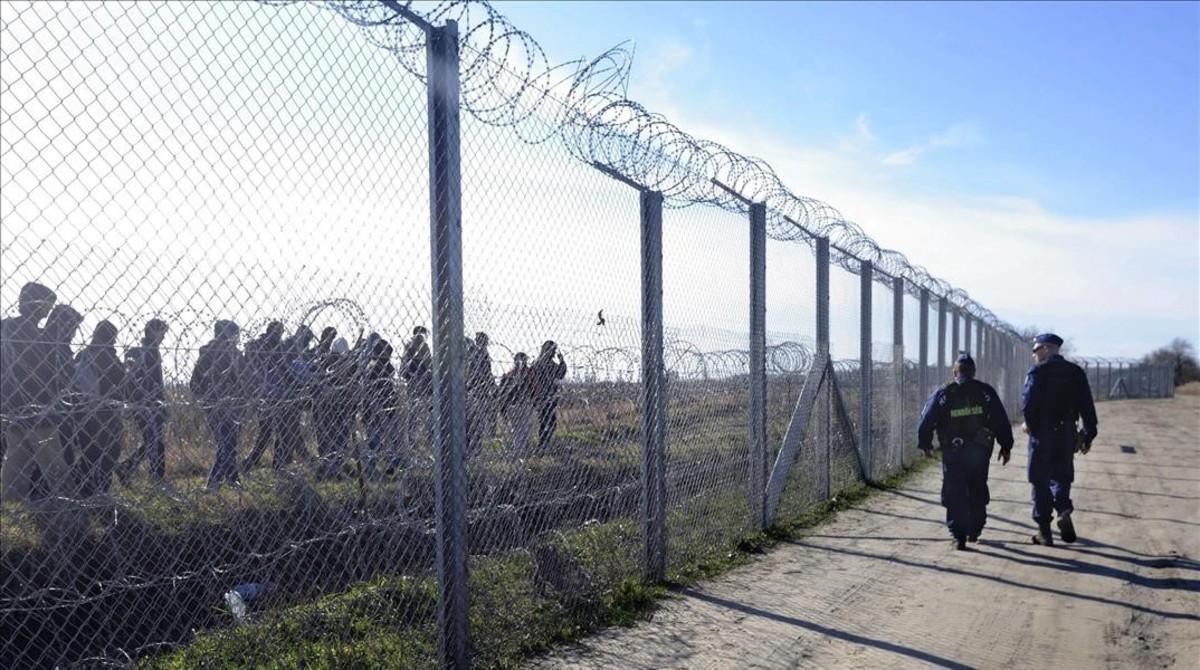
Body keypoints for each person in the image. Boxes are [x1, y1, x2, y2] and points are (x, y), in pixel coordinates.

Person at [917, 352, 1015, 550]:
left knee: (954, 489)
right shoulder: (986, 392)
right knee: (977, 485)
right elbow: (1000, 420)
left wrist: (925, 444)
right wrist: (1006, 445)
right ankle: (975, 529)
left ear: (955, 372)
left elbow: (926, 420)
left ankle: (958, 534)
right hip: (980, 451)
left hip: (953, 451)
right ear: (974, 372)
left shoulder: (943, 393)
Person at [1022, 333, 1098, 546]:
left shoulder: (1038, 371)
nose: (1035, 355)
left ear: (1046, 348)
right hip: (1066, 432)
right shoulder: (1075, 372)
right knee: (1062, 476)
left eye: (1036, 350)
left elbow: (1028, 403)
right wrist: (1088, 434)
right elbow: (1087, 406)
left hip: (1041, 432)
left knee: (1039, 479)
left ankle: (1044, 530)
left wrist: (1029, 424)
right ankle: (1063, 511)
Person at [0, 284, 61, 502]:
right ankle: (69, 507)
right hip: (36, 407)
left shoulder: (8, 327)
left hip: (13, 406)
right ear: (36, 303)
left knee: (17, 458)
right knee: (54, 462)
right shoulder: (28, 331)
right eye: (47, 305)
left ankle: (11, 503)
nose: (48, 311)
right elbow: (41, 371)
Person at [68, 320, 126, 496]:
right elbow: (120, 382)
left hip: (83, 411)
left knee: (88, 453)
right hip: (106, 412)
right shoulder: (107, 355)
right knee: (109, 452)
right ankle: (98, 490)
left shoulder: (83, 355)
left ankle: (83, 489)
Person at [191, 320, 244, 490]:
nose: (236, 338)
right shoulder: (210, 354)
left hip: (230, 403)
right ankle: (214, 482)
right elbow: (198, 381)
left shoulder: (229, 353)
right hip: (217, 403)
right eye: (234, 334)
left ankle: (231, 478)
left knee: (230, 442)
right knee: (226, 442)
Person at [117, 319, 170, 485]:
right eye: (162, 333)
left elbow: (156, 382)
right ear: (153, 332)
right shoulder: (140, 351)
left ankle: (128, 468)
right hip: (143, 405)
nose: (163, 337)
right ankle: (156, 478)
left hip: (154, 404)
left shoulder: (153, 351)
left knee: (153, 441)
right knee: (155, 442)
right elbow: (129, 375)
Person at [242, 321, 287, 471]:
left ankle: (253, 461)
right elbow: (283, 368)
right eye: (279, 333)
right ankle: (274, 463)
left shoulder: (258, 345)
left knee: (269, 430)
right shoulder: (270, 347)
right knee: (275, 429)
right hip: (269, 393)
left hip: (266, 393)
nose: (280, 336)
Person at [311, 335, 357, 479]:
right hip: (333, 407)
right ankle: (330, 469)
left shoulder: (324, 361)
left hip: (332, 407)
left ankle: (330, 468)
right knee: (335, 438)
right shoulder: (332, 363)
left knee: (332, 438)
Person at [362, 336, 401, 478]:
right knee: (376, 440)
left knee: (384, 440)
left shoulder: (380, 365)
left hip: (383, 408)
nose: (389, 357)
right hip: (376, 409)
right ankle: (372, 468)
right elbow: (378, 389)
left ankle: (388, 466)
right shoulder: (375, 367)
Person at [400, 326, 432, 451]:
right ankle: (412, 442)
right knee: (413, 415)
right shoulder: (409, 348)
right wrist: (414, 375)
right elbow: (403, 370)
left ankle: (427, 439)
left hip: (425, 387)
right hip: (414, 386)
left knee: (426, 414)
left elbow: (430, 367)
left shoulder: (425, 348)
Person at [530, 340, 567, 449]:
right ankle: (542, 444)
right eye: (553, 351)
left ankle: (543, 444)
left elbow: (560, 374)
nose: (554, 353)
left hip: (545, 396)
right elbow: (561, 373)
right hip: (545, 396)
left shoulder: (539, 362)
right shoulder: (545, 363)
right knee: (547, 421)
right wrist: (562, 360)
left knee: (547, 421)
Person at [498, 352, 534, 458]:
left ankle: (516, 451)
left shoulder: (509, 374)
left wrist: (503, 409)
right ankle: (518, 453)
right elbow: (535, 389)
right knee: (522, 430)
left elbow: (502, 393)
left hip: (512, 405)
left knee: (517, 430)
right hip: (523, 404)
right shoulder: (529, 374)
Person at [466, 331, 497, 455]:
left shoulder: (475, 353)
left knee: (476, 421)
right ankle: (474, 449)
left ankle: (473, 448)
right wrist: (492, 386)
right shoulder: (480, 354)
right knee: (477, 422)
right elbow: (484, 373)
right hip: (478, 391)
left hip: (477, 390)